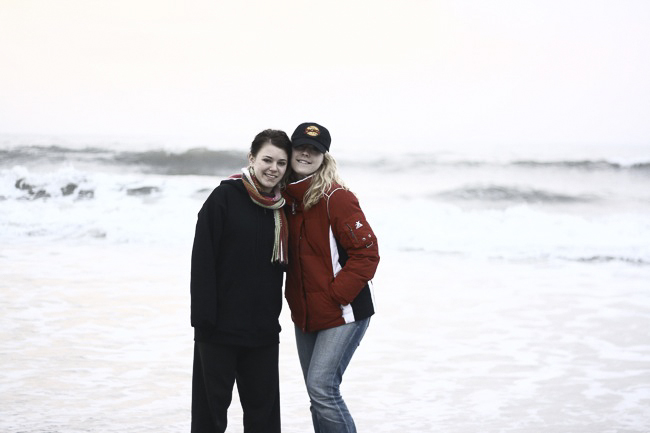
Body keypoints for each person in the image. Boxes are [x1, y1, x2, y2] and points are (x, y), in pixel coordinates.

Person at [190, 129, 291, 433]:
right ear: (252, 158)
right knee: (209, 419)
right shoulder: (224, 197)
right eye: (267, 160)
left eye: (281, 163)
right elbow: (202, 261)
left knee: (264, 420)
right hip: (218, 329)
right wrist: (203, 322)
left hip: (262, 331)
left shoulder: (283, 207)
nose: (273, 168)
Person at [283, 122, 380, 433]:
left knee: (323, 389)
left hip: (344, 310)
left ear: (324, 157)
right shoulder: (286, 200)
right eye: (301, 147)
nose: (306, 154)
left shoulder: (336, 197)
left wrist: (336, 295)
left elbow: (367, 253)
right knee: (317, 395)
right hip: (306, 312)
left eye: (314, 150)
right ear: (290, 151)